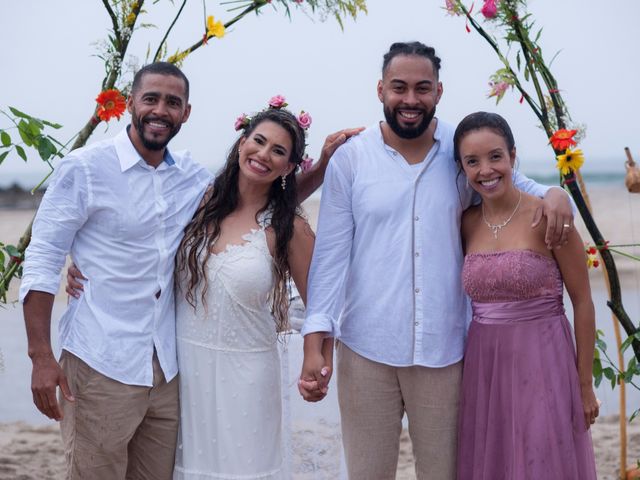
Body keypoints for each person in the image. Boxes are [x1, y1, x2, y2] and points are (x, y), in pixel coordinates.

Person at [20, 61, 356, 479]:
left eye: (172, 102)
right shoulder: (86, 169)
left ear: (186, 112)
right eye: (151, 99)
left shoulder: (193, 182)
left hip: (170, 371)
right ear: (130, 103)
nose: (161, 110)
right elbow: (42, 256)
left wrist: (321, 165)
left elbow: (260, 201)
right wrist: (40, 355)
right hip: (101, 359)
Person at [298, 41, 575, 479]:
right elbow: (331, 259)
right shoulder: (351, 160)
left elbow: (517, 185)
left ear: (439, 92)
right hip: (366, 350)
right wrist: (315, 344)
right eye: (399, 87)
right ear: (380, 90)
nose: (411, 100)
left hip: (446, 353)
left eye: (422, 88)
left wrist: (557, 194)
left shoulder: (458, 150)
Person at [171, 105, 335, 479]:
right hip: (186, 370)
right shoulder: (199, 203)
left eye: (278, 151)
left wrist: (318, 360)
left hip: (248, 376)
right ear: (242, 142)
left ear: (289, 167)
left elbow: (322, 305)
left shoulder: (289, 227)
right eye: (258, 141)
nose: (263, 154)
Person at [454, 111, 598, 479]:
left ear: (513, 157)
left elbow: (582, 301)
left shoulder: (549, 217)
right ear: (462, 168)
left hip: (544, 360)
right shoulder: (465, 223)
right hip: (485, 367)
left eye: (495, 157)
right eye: (473, 161)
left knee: (542, 463)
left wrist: (584, 385)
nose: (486, 170)